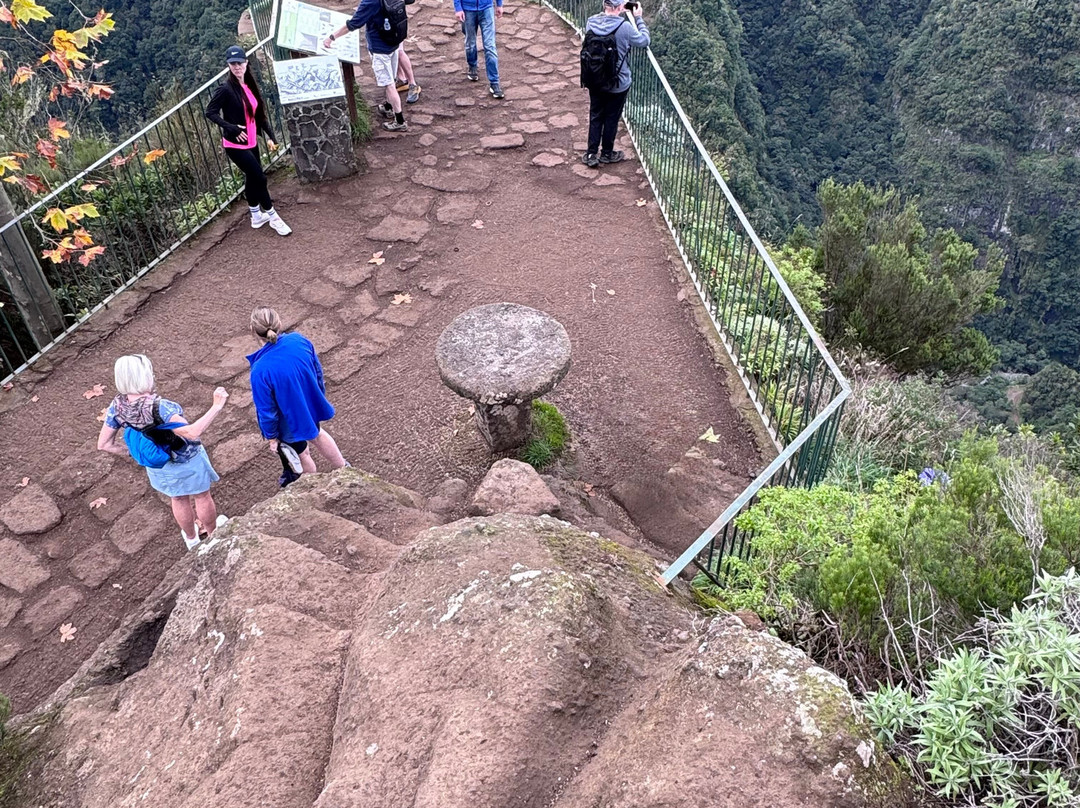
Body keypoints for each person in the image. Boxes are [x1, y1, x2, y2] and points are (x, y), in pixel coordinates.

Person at [97, 354, 230, 551]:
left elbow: (104, 444)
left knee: (177, 498)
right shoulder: (160, 407)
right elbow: (192, 433)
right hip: (187, 459)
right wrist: (216, 406)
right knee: (201, 496)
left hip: (158, 465)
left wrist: (133, 454)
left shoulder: (116, 406)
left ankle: (192, 540)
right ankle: (213, 536)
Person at [247, 307, 349, 486]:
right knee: (317, 434)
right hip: (307, 405)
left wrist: (271, 437)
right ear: (278, 323)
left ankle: (311, 488)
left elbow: (267, 411)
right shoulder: (299, 340)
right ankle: (345, 468)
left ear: (253, 330)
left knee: (302, 455)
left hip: (287, 422)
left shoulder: (260, 371)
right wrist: (317, 396)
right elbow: (317, 371)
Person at [206, 45, 291, 236]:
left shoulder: (248, 86)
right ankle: (273, 217)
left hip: (251, 141)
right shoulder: (225, 89)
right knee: (260, 177)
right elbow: (210, 112)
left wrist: (270, 135)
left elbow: (258, 116)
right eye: (233, 64)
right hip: (235, 145)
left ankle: (256, 216)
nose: (237, 67)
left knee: (252, 178)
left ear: (246, 63)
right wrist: (231, 128)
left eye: (240, 63)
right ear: (229, 66)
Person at [323, 0, 410, 132]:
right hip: (394, 42)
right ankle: (388, 106)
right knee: (391, 78)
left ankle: (399, 120)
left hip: (380, 49)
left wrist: (331, 37)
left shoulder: (371, 2)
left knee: (389, 84)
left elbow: (353, 24)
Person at [581, 0, 649, 168]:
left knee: (596, 115)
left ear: (604, 5)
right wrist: (638, 18)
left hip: (595, 79)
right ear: (620, 7)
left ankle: (591, 154)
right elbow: (644, 40)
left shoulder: (591, 21)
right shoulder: (624, 27)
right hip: (618, 83)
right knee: (611, 118)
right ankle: (606, 153)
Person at [454, 0, 504, 99]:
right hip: (467, 9)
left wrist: (499, 4)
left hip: (486, 8)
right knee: (470, 43)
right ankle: (472, 66)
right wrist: (458, 8)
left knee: (490, 47)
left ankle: (494, 82)